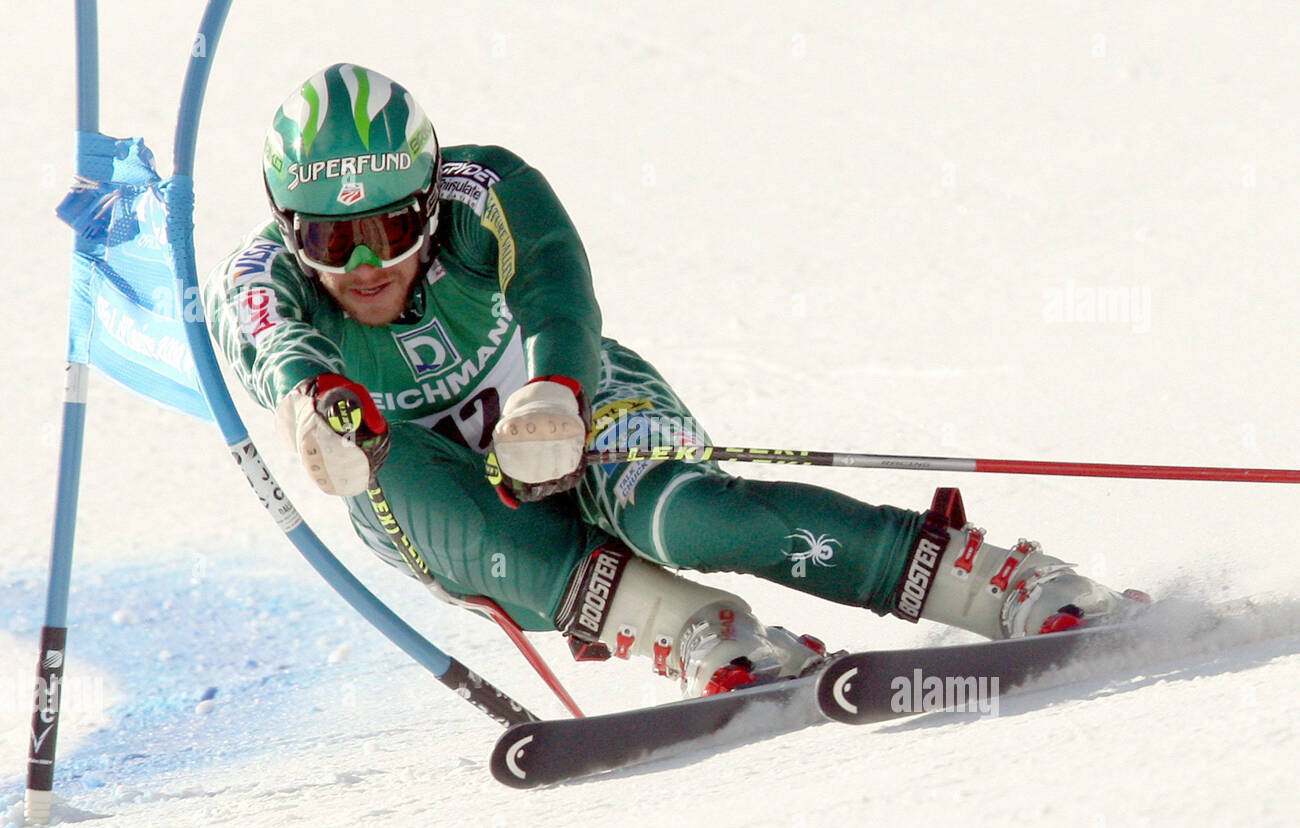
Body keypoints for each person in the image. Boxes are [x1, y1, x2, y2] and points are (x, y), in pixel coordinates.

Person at [204, 64, 1147, 699]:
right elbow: (275, 349)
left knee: (686, 516)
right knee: (397, 473)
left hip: (576, 408)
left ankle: (1006, 583)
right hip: (445, 501)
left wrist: (556, 388)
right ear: (291, 229)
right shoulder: (263, 280)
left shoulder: (481, 189)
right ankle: (703, 635)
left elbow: (555, 277)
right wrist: (309, 411)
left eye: (391, 229)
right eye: (333, 238)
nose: (366, 262)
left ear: (426, 192)